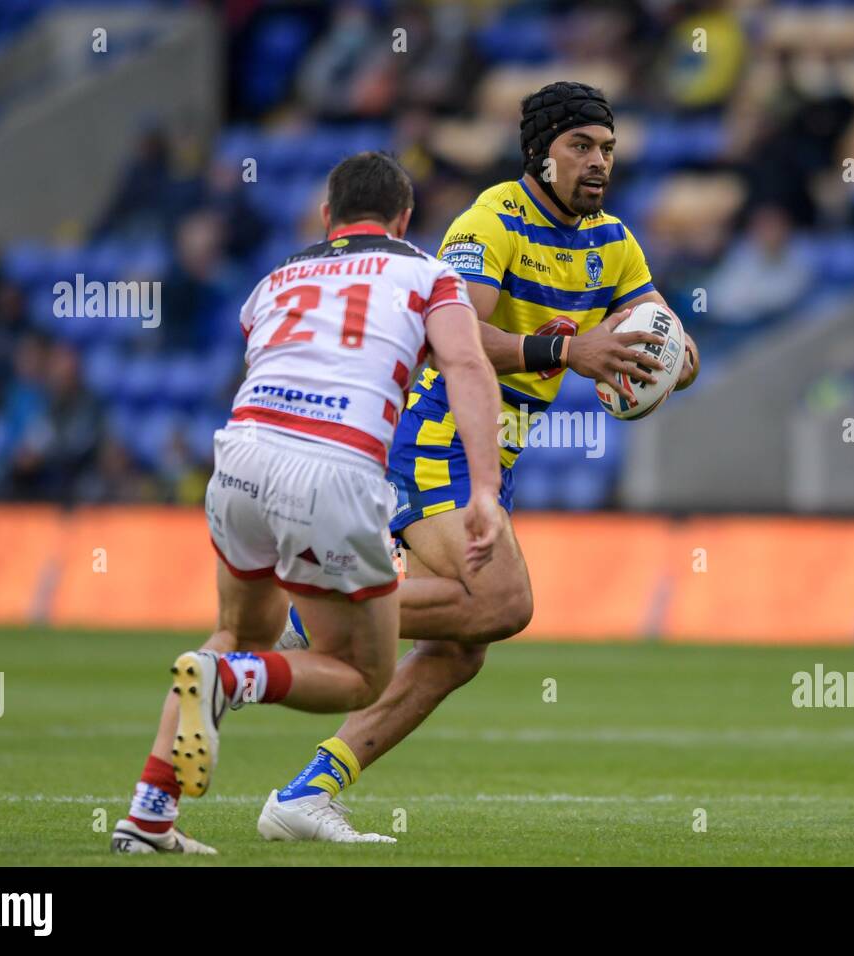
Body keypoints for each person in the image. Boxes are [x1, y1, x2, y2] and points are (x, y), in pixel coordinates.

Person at [269, 82, 700, 843]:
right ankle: (320, 615)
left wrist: (672, 358)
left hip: (495, 446)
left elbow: (657, 328)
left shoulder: (616, 242)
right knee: (504, 603)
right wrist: (572, 350)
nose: (598, 163)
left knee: (462, 648)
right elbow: (453, 332)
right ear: (541, 151)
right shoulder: (492, 218)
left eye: (606, 148)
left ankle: (307, 794)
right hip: (432, 432)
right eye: (580, 147)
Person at [111, 151, 502, 854]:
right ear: (405, 219)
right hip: (335, 468)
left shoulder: (274, 279)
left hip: (239, 459)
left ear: (327, 217)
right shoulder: (428, 273)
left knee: (232, 630)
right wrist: (483, 488)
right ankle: (235, 680)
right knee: (361, 675)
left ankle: (149, 811)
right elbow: (468, 365)